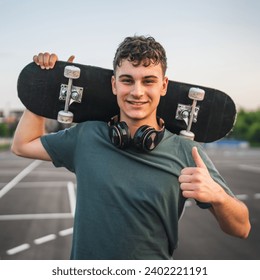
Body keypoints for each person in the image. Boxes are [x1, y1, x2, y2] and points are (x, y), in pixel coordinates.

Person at [12, 35, 251, 260]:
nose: (137, 92)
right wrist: (45, 88)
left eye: (149, 81)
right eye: (127, 80)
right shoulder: (87, 136)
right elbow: (23, 145)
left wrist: (219, 197)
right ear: (114, 84)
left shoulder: (186, 152)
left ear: (164, 86)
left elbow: (242, 228)